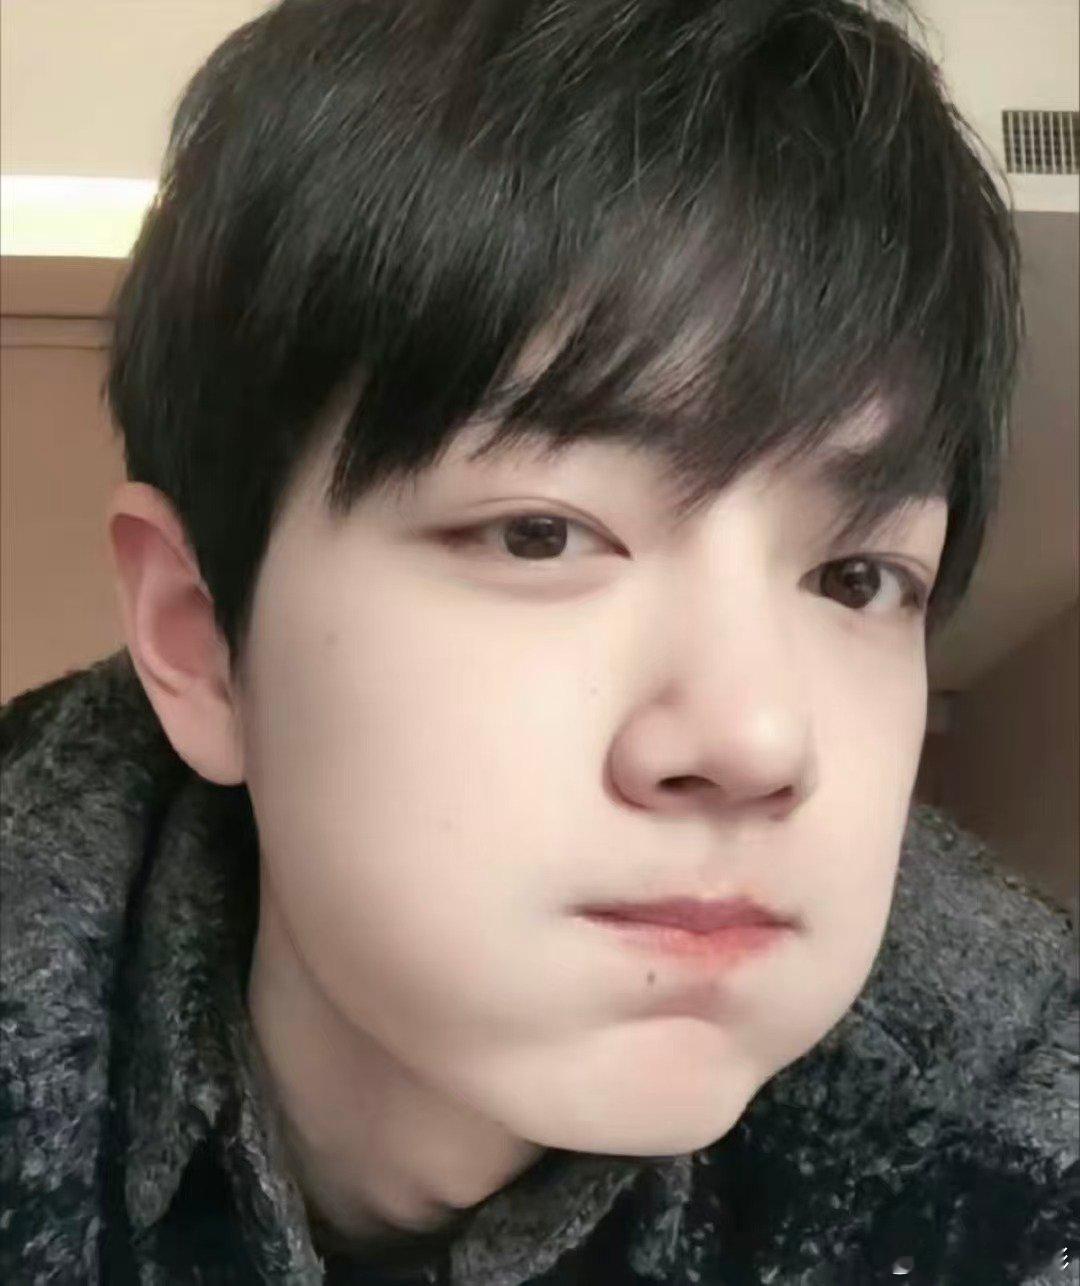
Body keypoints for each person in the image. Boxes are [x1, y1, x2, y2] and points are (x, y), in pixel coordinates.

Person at [2, 0, 1077, 1281]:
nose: (756, 739)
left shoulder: (1011, 1123)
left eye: (857, 576)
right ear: (200, 642)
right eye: (540, 534)